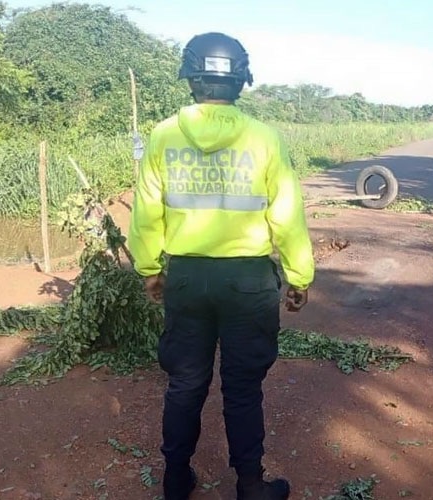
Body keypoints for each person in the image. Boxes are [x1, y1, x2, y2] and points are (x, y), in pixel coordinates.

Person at [127, 31, 315, 500]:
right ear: (241, 81)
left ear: (190, 78)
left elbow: (146, 212)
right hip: (247, 281)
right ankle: (250, 486)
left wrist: (150, 268)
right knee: (243, 387)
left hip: (187, 278)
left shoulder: (164, 135)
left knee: (185, 383)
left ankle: (175, 481)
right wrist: (299, 275)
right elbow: (287, 214)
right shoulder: (264, 138)